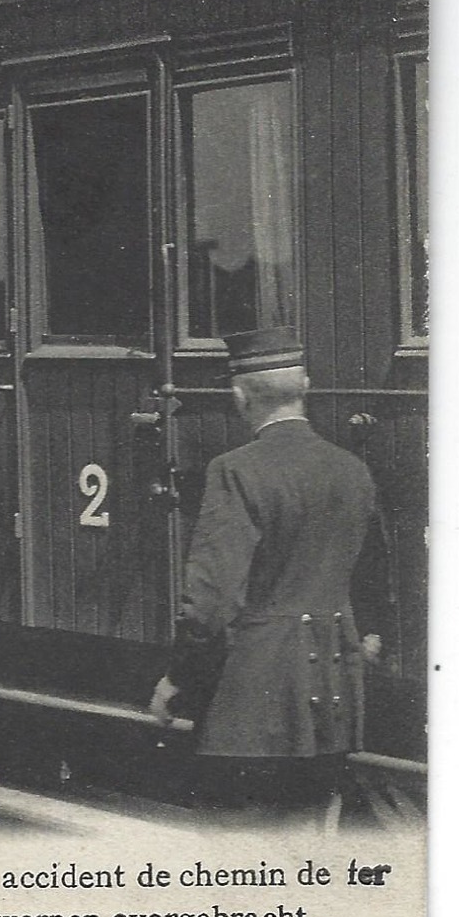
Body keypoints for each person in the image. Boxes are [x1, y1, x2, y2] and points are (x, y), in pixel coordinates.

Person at [148, 326, 380, 829]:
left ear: (238, 396)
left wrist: (175, 680)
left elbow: (210, 603)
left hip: (252, 709)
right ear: (306, 386)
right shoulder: (353, 470)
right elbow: (372, 575)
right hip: (332, 701)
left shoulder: (235, 470)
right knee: (313, 847)